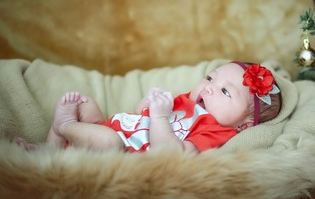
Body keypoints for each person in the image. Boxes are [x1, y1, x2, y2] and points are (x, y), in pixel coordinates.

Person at [16, 61, 282, 153]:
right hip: (113, 128)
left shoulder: (216, 131)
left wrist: (159, 116)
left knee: (108, 143)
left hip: (115, 149)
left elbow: (169, 153)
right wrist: (146, 104)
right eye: (210, 77)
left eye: (225, 91)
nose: (209, 87)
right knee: (86, 106)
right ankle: (49, 147)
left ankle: (65, 127)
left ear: (243, 125)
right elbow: (137, 117)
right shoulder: (188, 100)